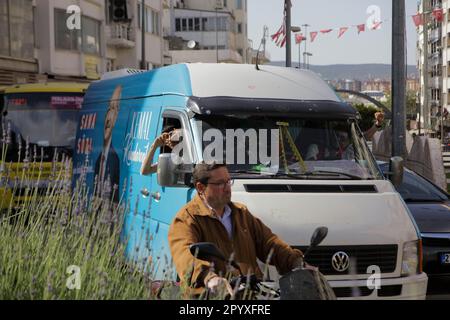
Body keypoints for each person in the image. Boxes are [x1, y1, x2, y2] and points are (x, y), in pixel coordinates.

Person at [168, 163, 311, 298]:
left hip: (251, 293)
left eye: (228, 181)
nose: (227, 188)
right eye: (220, 183)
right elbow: (185, 256)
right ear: (200, 187)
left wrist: (296, 261)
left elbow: (269, 243)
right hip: (212, 297)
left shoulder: (240, 213)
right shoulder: (187, 219)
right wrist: (210, 278)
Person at [94, 85, 121, 202]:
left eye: (114, 109)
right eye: (109, 108)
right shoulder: (99, 159)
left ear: (117, 118)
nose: (109, 118)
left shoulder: (115, 160)